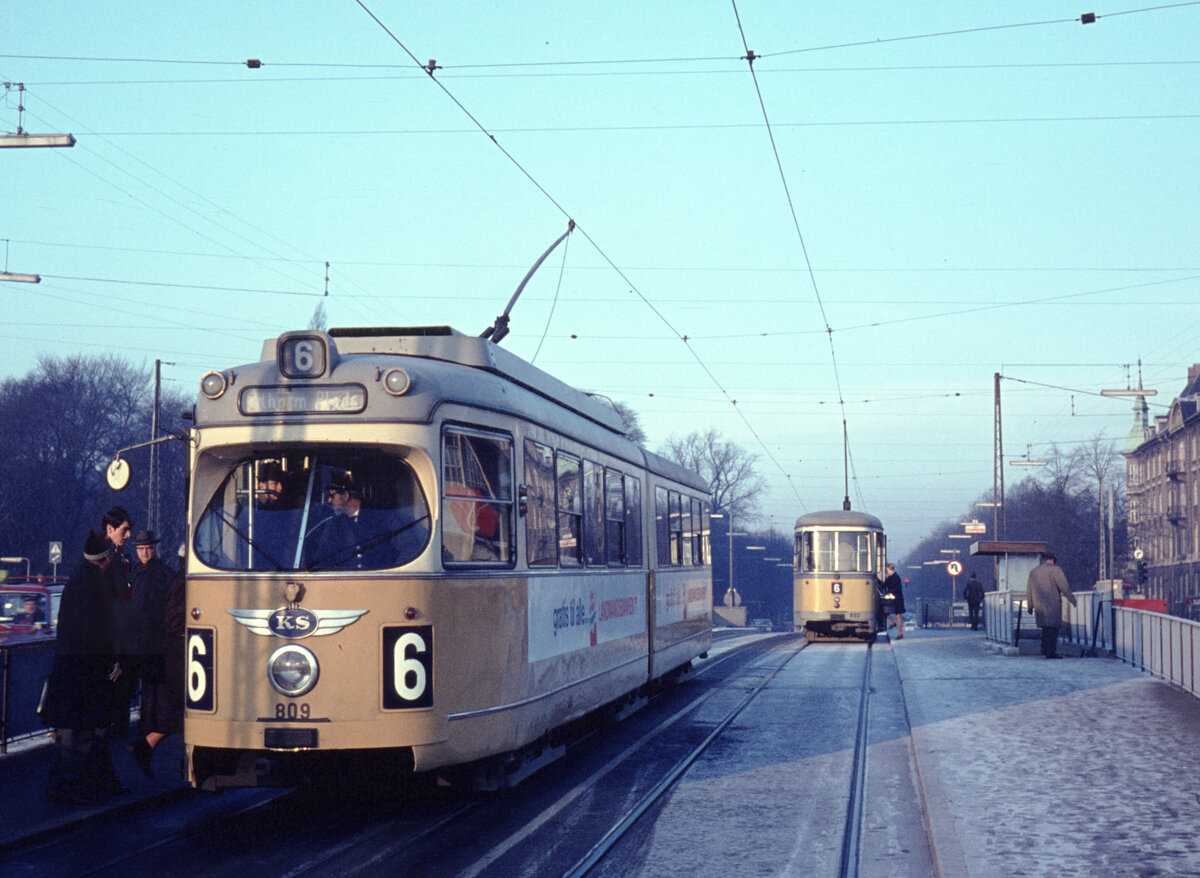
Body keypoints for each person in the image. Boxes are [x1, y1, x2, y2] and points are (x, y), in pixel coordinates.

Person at [44, 532, 123, 805]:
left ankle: (63, 785)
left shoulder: (81, 580)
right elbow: (95, 633)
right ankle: (71, 786)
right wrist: (111, 660)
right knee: (78, 733)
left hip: (73, 669)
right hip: (83, 672)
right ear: (104, 559)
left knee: (72, 732)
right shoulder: (92, 586)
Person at [129, 541, 184, 779]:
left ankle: (146, 744)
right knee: (174, 706)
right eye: (140, 548)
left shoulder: (163, 575)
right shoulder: (174, 579)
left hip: (155, 648)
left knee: (164, 705)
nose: (145, 553)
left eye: (148, 548)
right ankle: (146, 745)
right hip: (167, 651)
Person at [103, 507, 140, 736]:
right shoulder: (105, 561)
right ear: (110, 529)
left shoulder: (121, 557)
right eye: (124, 530)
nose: (128, 535)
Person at [1026, 551, 1077, 659]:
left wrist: (1030, 606)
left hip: (1039, 607)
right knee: (1052, 630)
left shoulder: (1034, 572)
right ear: (1052, 560)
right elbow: (1064, 587)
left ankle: (1045, 650)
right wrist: (1072, 600)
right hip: (1052, 606)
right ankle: (1050, 652)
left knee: (1045, 630)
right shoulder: (1055, 570)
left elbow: (1029, 591)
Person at [883, 563, 905, 638]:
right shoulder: (894, 577)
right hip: (895, 597)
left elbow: (887, 586)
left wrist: (888, 592)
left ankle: (899, 633)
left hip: (896, 598)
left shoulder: (895, 577)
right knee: (894, 614)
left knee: (896, 615)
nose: (886, 572)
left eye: (887, 570)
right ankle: (896, 628)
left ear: (890, 569)